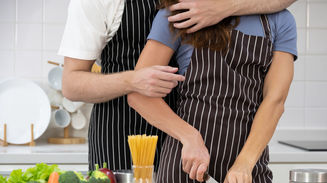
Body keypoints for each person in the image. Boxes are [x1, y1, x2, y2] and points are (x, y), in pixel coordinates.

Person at [59, 0, 296, 172]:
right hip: (124, 139)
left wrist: (226, 7)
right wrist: (132, 80)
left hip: (187, 140)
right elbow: (71, 84)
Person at [127, 1, 297, 183]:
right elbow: (138, 93)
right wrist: (189, 136)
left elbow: (275, 100)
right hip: (185, 171)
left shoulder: (277, 19)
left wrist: (245, 163)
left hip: (250, 173)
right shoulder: (177, 15)